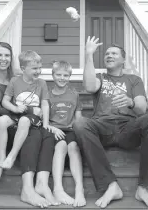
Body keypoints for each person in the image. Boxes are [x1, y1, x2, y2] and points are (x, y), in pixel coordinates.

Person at [73, 36, 148, 209]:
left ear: (123, 60)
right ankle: (110, 185)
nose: (109, 55)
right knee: (80, 124)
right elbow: (89, 86)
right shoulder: (101, 78)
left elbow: (141, 108)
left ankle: (144, 188)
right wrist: (88, 55)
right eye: (107, 53)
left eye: (114, 53)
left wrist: (130, 102)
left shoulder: (133, 80)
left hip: (127, 129)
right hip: (102, 128)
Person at [0, 43, 59, 207]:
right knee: (32, 131)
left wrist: (41, 117)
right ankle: (12, 172)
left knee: (40, 132)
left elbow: (42, 103)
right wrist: (30, 110)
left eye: (7, 55)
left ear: (11, 58)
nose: (3, 59)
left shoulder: (17, 79)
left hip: (17, 124)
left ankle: (35, 186)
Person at [0, 50, 48, 170]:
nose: (38, 71)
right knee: (1, 121)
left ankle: (12, 156)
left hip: (33, 118)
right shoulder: (14, 81)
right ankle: (1, 158)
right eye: (34, 68)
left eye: (40, 68)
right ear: (23, 68)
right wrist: (15, 108)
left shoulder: (42, 83)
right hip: (17, 113)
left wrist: (45, 124)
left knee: (24, 120)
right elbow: (5, 101)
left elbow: (45, 104)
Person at [47, 61, 86, 207]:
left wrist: (79, 131)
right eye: (58, 74)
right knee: (61, 146)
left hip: (70, 130)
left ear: (69, 77)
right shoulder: (47, 95)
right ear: (53, 75)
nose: (62, 78)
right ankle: (58, 188)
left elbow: (79, 118)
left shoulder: (74, 95)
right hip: (53, 130)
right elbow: (44, 119)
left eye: (65, 75)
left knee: (74, 146)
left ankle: (79, 189)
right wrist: (52, 128)